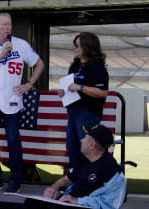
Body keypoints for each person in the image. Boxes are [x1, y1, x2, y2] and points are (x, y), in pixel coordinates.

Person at [0, 12, 44, 195]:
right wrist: (1, 54)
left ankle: (15, 180)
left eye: (10, 25)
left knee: (13, 141)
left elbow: (39, 64)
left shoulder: (21, 44)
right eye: (4, 24)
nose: (8, 28)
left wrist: (29, 84)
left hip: (12, 102)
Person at [38, 124, 126, 209]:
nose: (81, 140)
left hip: (84, 205)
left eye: (85, 138)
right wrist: (54, 187)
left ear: (92, 145)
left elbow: (109, 203)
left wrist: (77, 201)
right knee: (31, 203)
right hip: (68, 202)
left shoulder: (110, 168)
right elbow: (67, 179)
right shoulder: (84, 159)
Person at [58, 32, 109, 170]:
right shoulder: (74, 66)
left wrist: (81, 87)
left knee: (87, 149)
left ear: (87, 46)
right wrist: (63, 92)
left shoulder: (97, 66)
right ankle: (77, 180)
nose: (75, 48)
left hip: (88, 113)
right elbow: (70, 88)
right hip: (73, 112)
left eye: (77, 45)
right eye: (74, 45)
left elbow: (103, 92)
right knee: (72, 147)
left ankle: (90, 180)